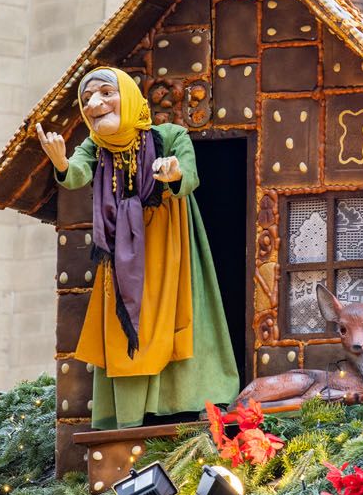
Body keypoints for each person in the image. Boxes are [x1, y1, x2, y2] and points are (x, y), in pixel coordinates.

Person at [36, 67, 239, 429]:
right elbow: (78, 174)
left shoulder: (170, 135)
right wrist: (62, 163)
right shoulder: (95, 148)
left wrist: (174, 173)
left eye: (104, 93)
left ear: (127, 95)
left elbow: (190, 175)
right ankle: (130, 415)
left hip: (169, 246)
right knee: (127, 324)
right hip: (120, 252)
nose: (94, 103)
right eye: (87, 100)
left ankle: (187, 403)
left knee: (176, 317)